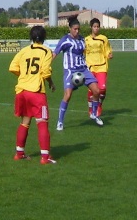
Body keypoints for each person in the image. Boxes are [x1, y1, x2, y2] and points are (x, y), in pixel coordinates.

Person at [9, 25, 57, 164]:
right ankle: (45, 157)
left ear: (31, 37)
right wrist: (50, 82)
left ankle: (19, 153)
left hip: (22, 91)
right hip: (36, 92)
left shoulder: (23, 51)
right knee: (42, 122)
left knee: (25, 122)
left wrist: (24, 75)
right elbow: (46, 72)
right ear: (44, 37)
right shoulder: (46, 51)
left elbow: (12, 67)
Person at [53, 15, 103, 129]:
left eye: (78, 29)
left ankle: (94, 114)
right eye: (75, 29)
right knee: (68, 95)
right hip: (70, 71)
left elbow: (85, 53)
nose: (77, 31)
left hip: (83, 70)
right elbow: (54, 53)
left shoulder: (82, 39)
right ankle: (60, 121)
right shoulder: (65, 40)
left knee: (97, 91)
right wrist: (45, 65)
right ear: (70, 29)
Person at [84, 18, 113, 119]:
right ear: (91, 27)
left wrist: (109, 54)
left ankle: (99, 104)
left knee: (102, 89)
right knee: (91, 90)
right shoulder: (86, 40)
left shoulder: (103, 38)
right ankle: (91, 108)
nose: (96, 28)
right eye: (94, 27)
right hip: (90, 67)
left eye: (98, 27)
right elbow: (83, 53)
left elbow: (107, 50)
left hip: (102, 66)